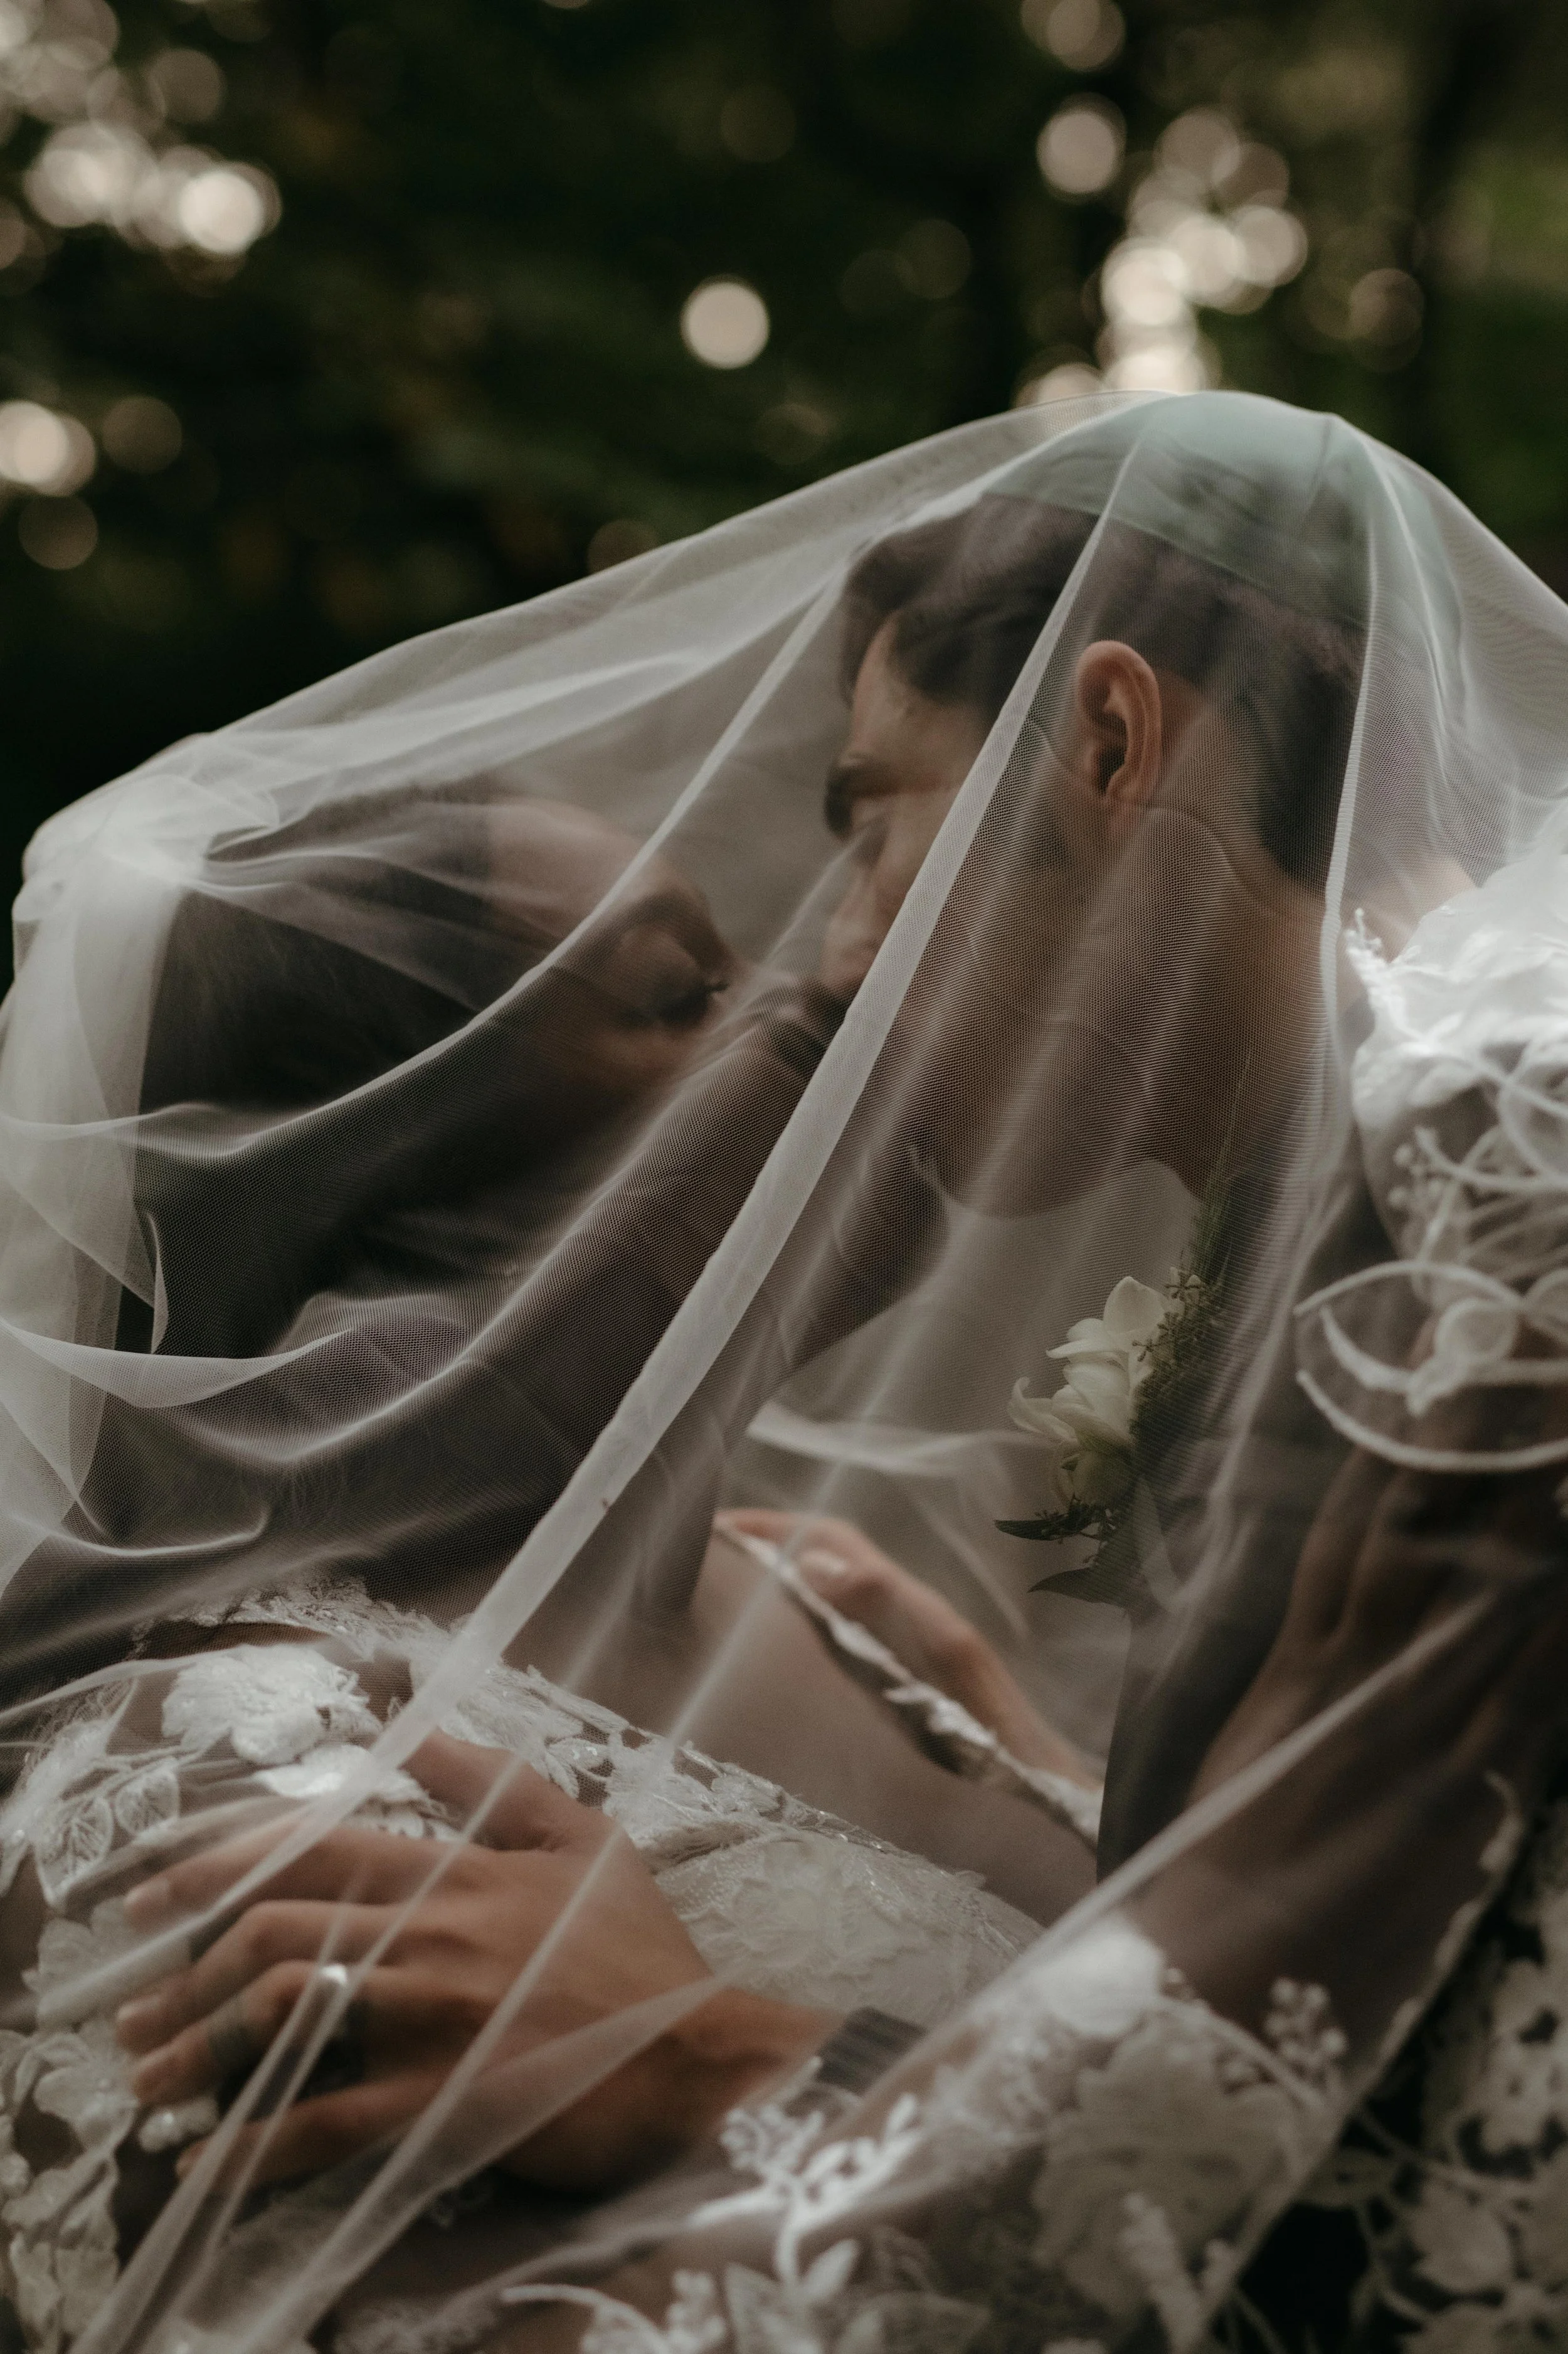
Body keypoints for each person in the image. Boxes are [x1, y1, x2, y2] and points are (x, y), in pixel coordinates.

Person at [1, 388, 1565, 2354]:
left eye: (840, 874)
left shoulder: (861, 1623)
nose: (823, 992)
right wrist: (747, 2060)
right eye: (680, 991)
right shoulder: (228, 1767)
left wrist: (1047, 1813)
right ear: (379, 1205)